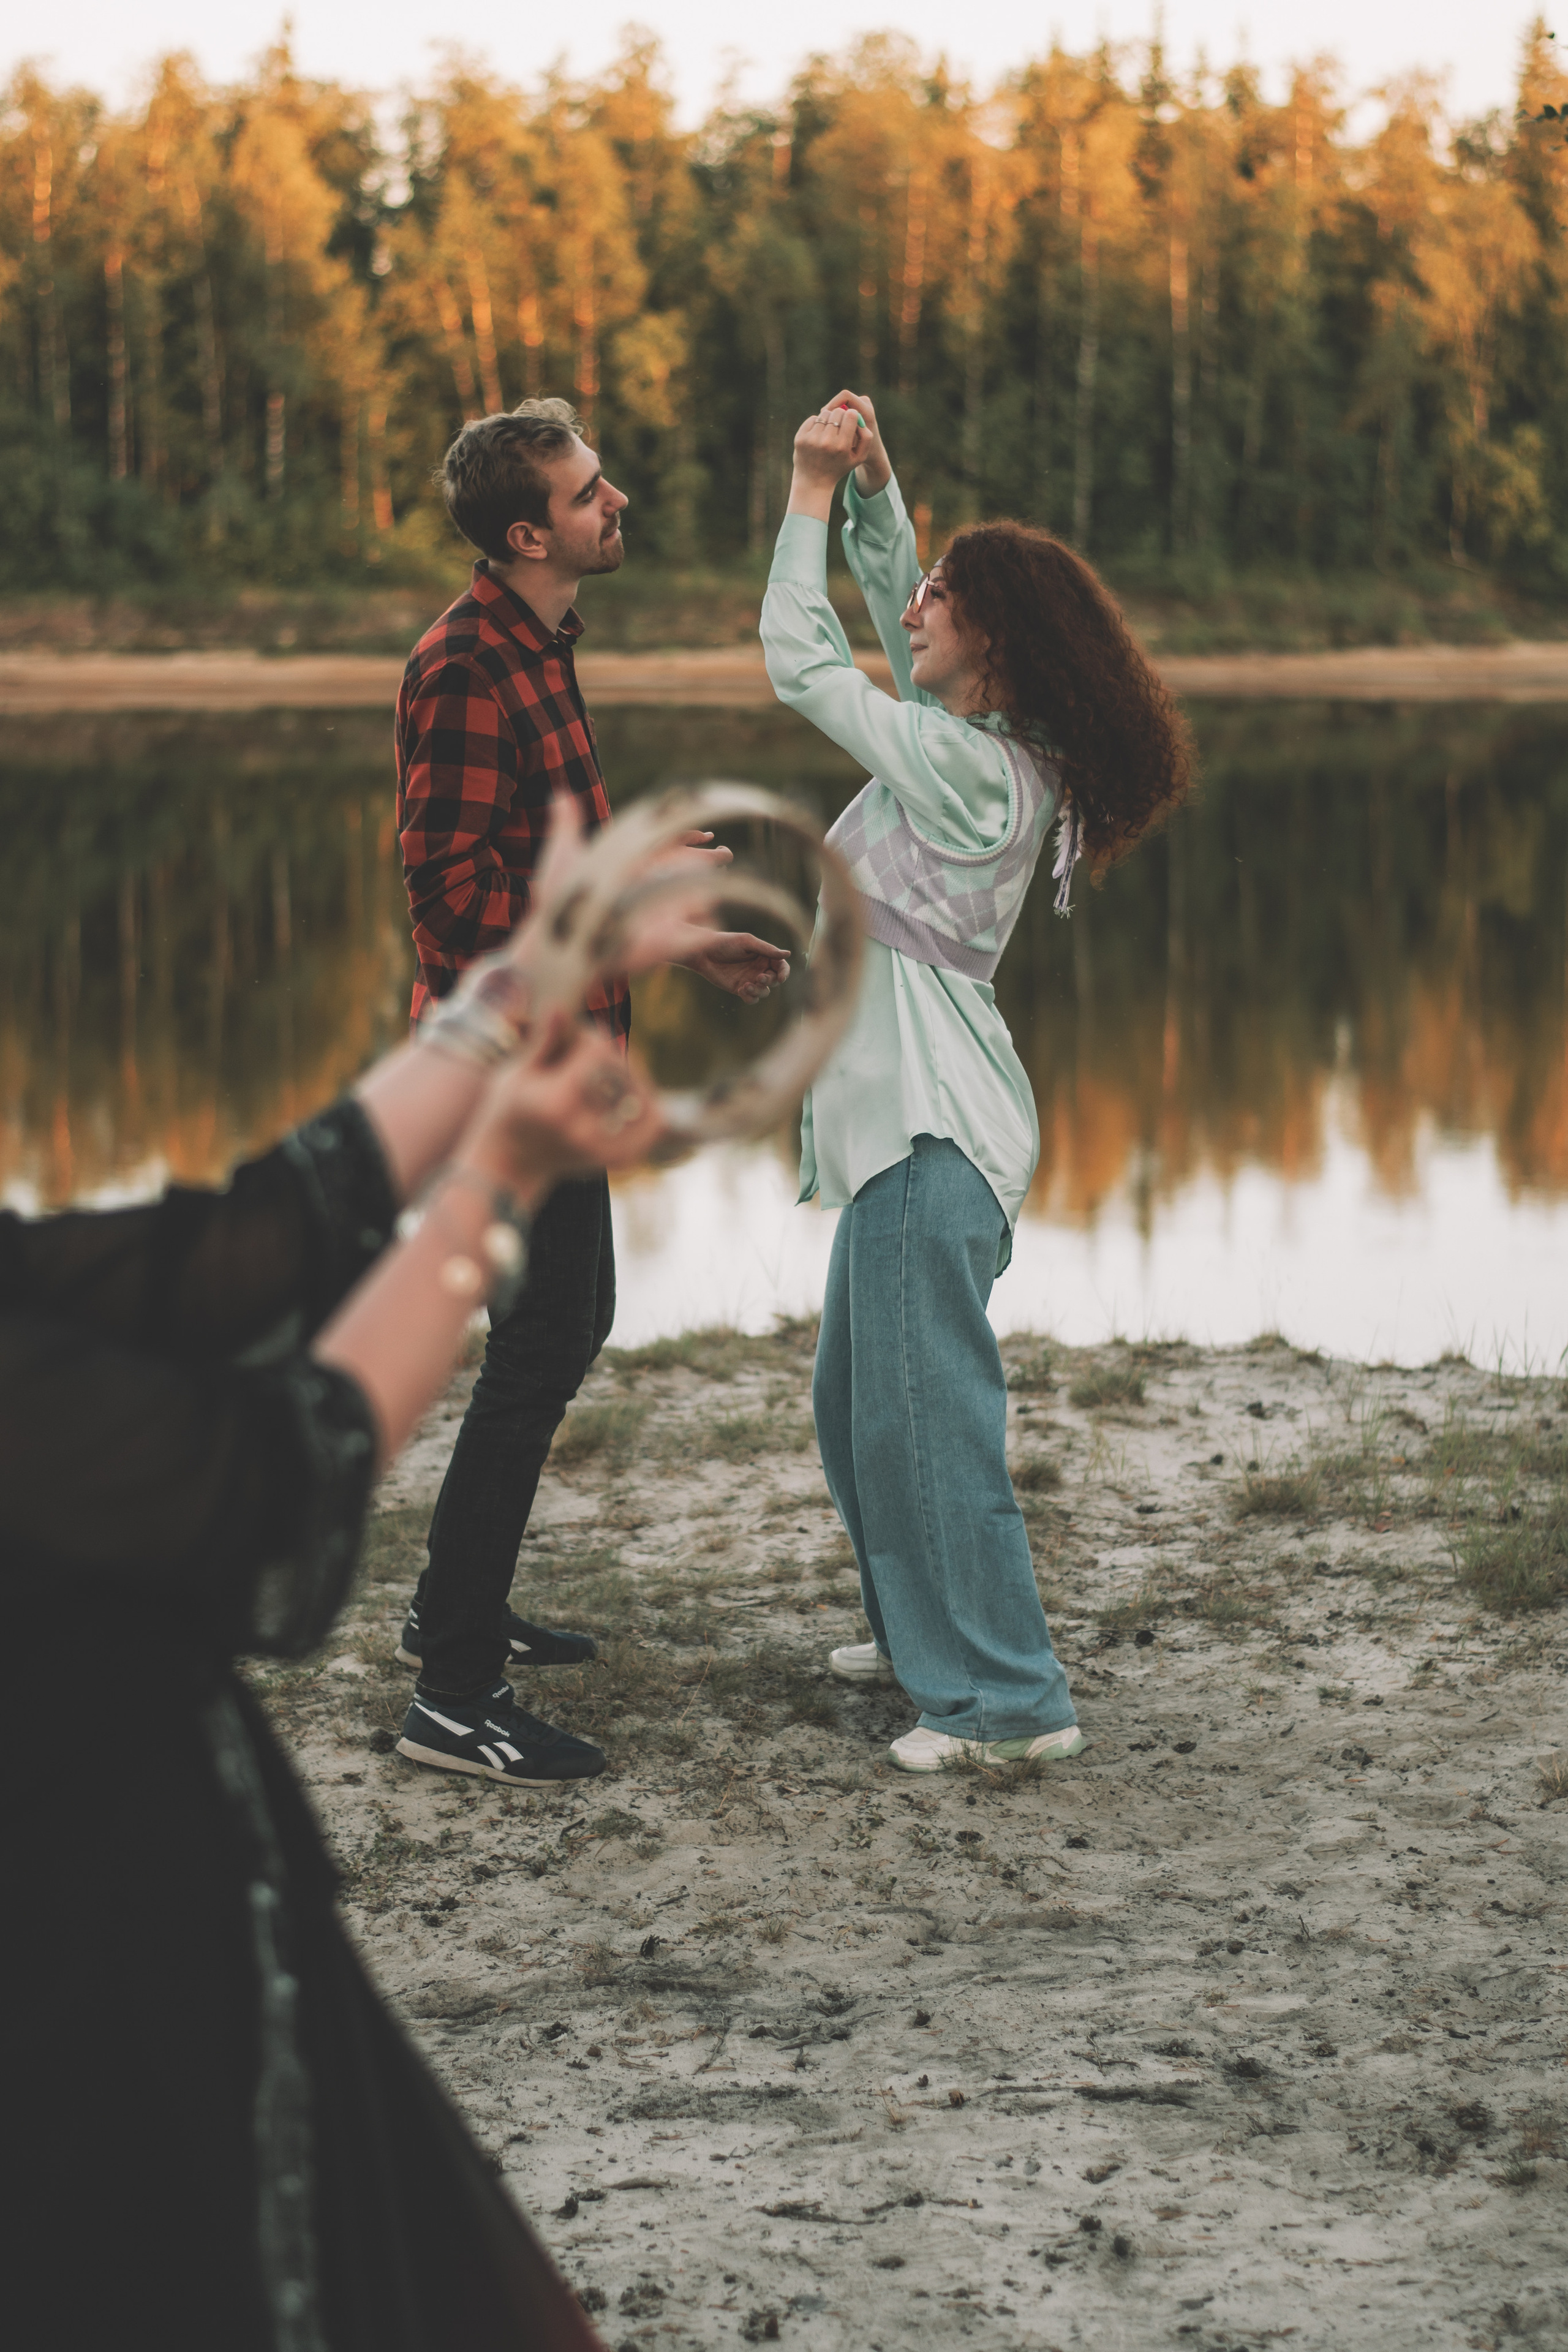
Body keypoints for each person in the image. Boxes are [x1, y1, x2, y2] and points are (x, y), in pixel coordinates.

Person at [1, 827, 666, 2351]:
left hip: (201, 1940)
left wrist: (505, 1001)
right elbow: (268, 1484)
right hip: (82, 2026)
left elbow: (234, 1248)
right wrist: (493, 1179)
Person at [762, 391, 1193, 1774]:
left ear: (996, 642)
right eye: (931, 580)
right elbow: (898, 622)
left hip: (932, 1139)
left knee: (928, 1422)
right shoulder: (989, 752)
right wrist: (883, 501)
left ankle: (1007, 1701)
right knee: (858, 1407)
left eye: (949, 594)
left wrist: (808, 496)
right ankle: (917, 1637)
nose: (922, 603)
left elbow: (807, 661)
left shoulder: (967, 774)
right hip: (906, 1136)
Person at [394, 399, 787, 1782]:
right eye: (588, 492)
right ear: (527, 532)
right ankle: (450, 1692)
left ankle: (455, 1612)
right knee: (544, 1338)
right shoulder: (462, 664)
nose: (614, 502)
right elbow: (451, 904)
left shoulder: (542, 645)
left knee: (569, 1323)